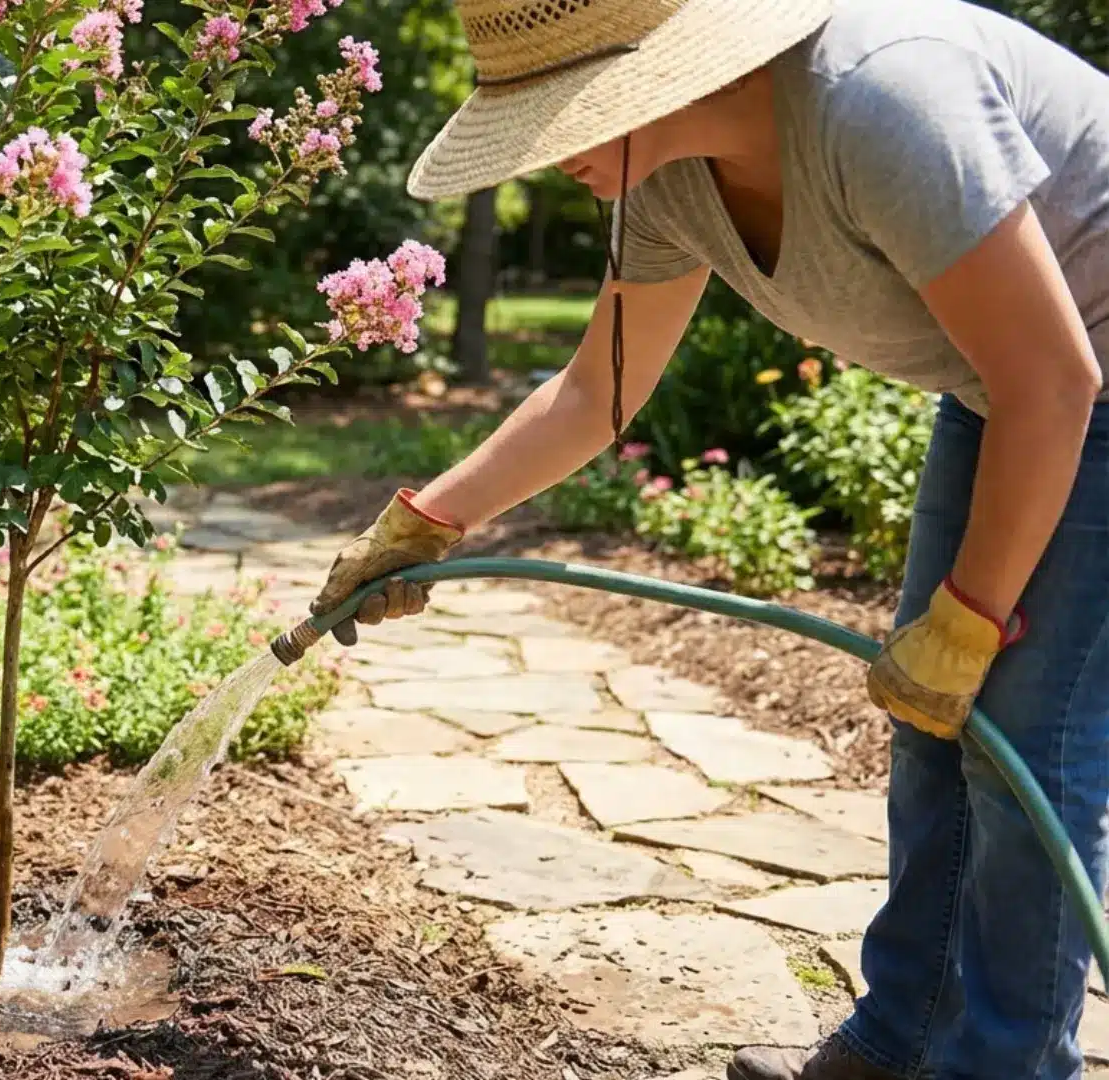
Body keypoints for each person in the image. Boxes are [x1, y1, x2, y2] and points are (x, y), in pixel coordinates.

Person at [309, 0, 1109, 1077]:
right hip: (1007, 381)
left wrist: (969, 620)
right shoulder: (666, 177)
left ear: (641, 78)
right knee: (932, 725)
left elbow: (1055, 383)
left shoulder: (882, 100)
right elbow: (601, 387)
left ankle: (1002, 1067)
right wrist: (427, 521)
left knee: (1022, 750)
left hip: (1068, 382)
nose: (540, 156)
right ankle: (899, 1041)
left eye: (553, 115)